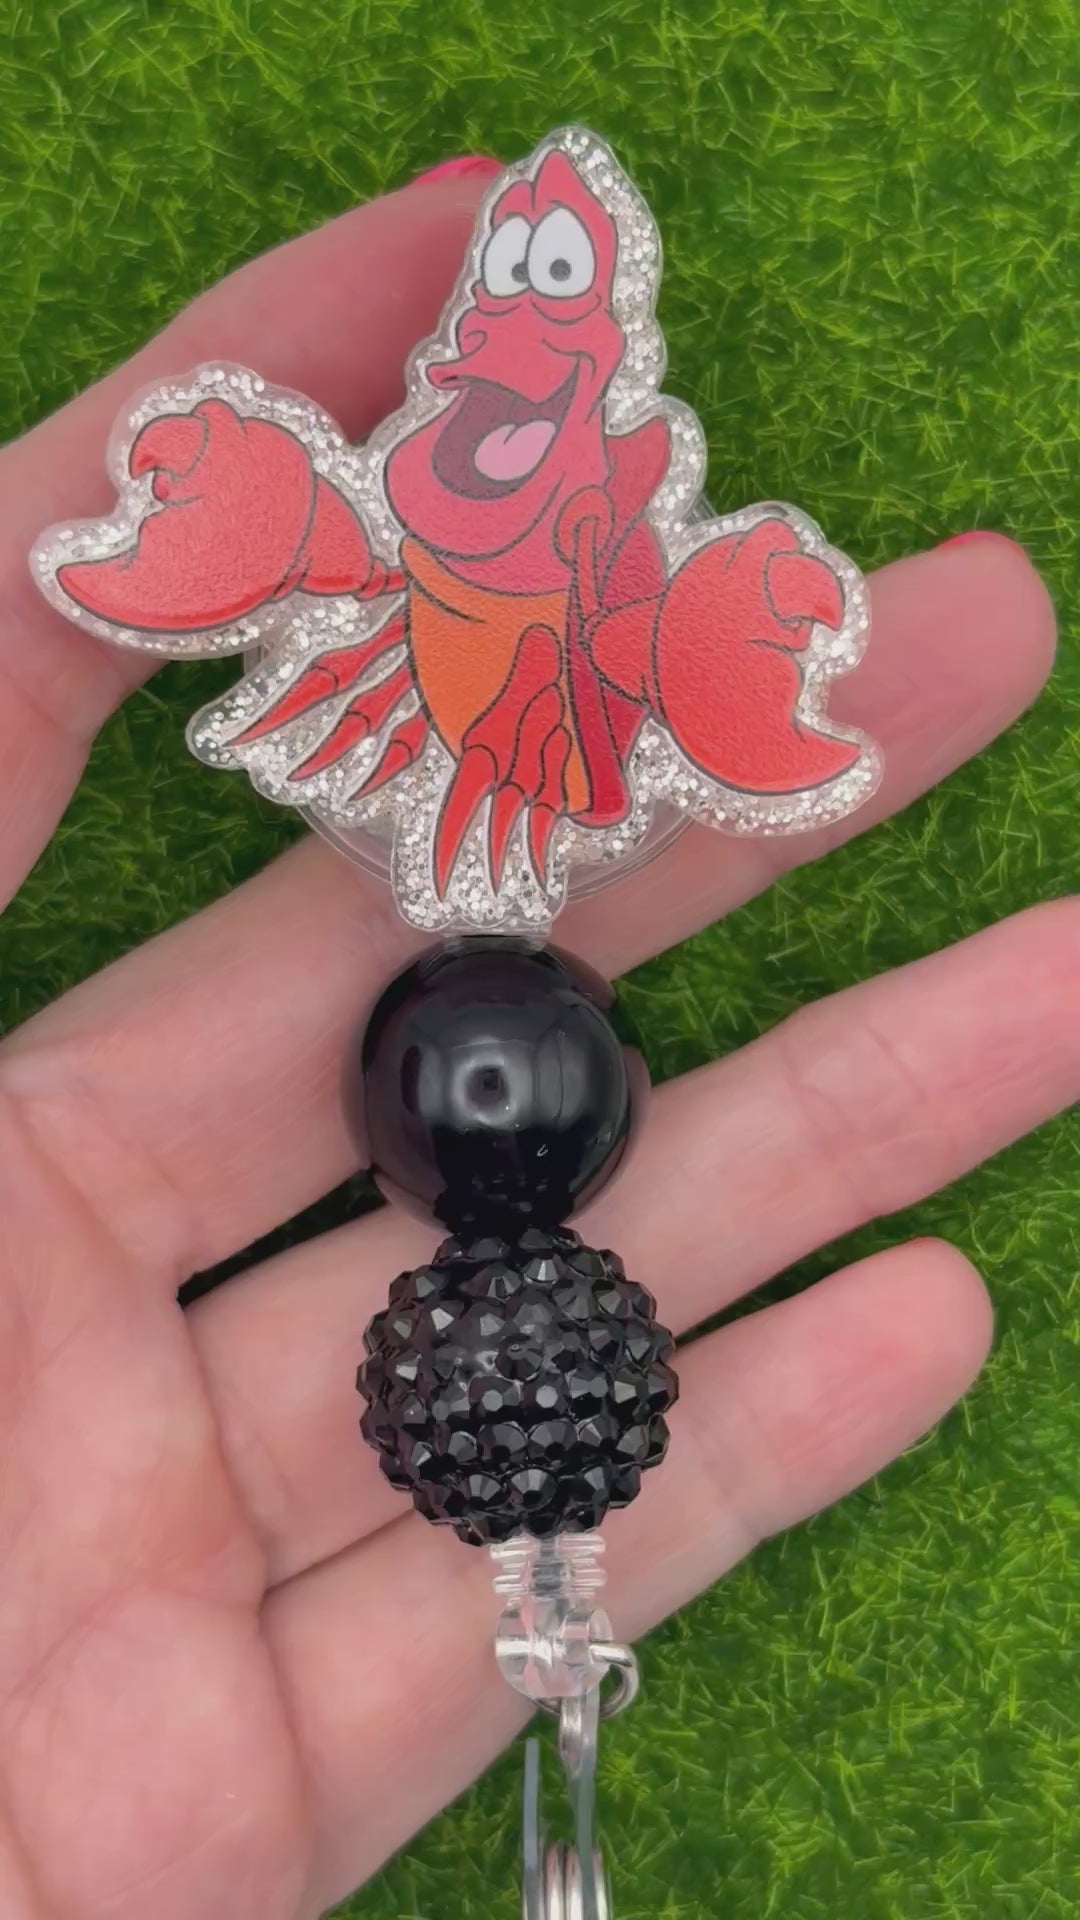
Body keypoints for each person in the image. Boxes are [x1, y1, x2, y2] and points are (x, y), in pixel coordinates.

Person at [0, 155, 1068, 1920]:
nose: (505, 318)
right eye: (516, 274)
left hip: (547, 735)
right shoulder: (429, 478)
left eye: (553, 277)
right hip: (433, 715)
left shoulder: (614, 500)